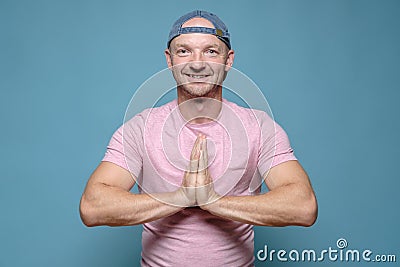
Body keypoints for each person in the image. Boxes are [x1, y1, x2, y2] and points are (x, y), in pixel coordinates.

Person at [79, 10, 317, 266]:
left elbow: (303, 206)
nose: (197, 63)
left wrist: (212, 201)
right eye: (184, 51)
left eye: (211, 51)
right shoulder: (140, 129)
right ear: (169, 60)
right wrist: (181, 198)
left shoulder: (258, 127)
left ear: (229, 60)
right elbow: (93, 207)